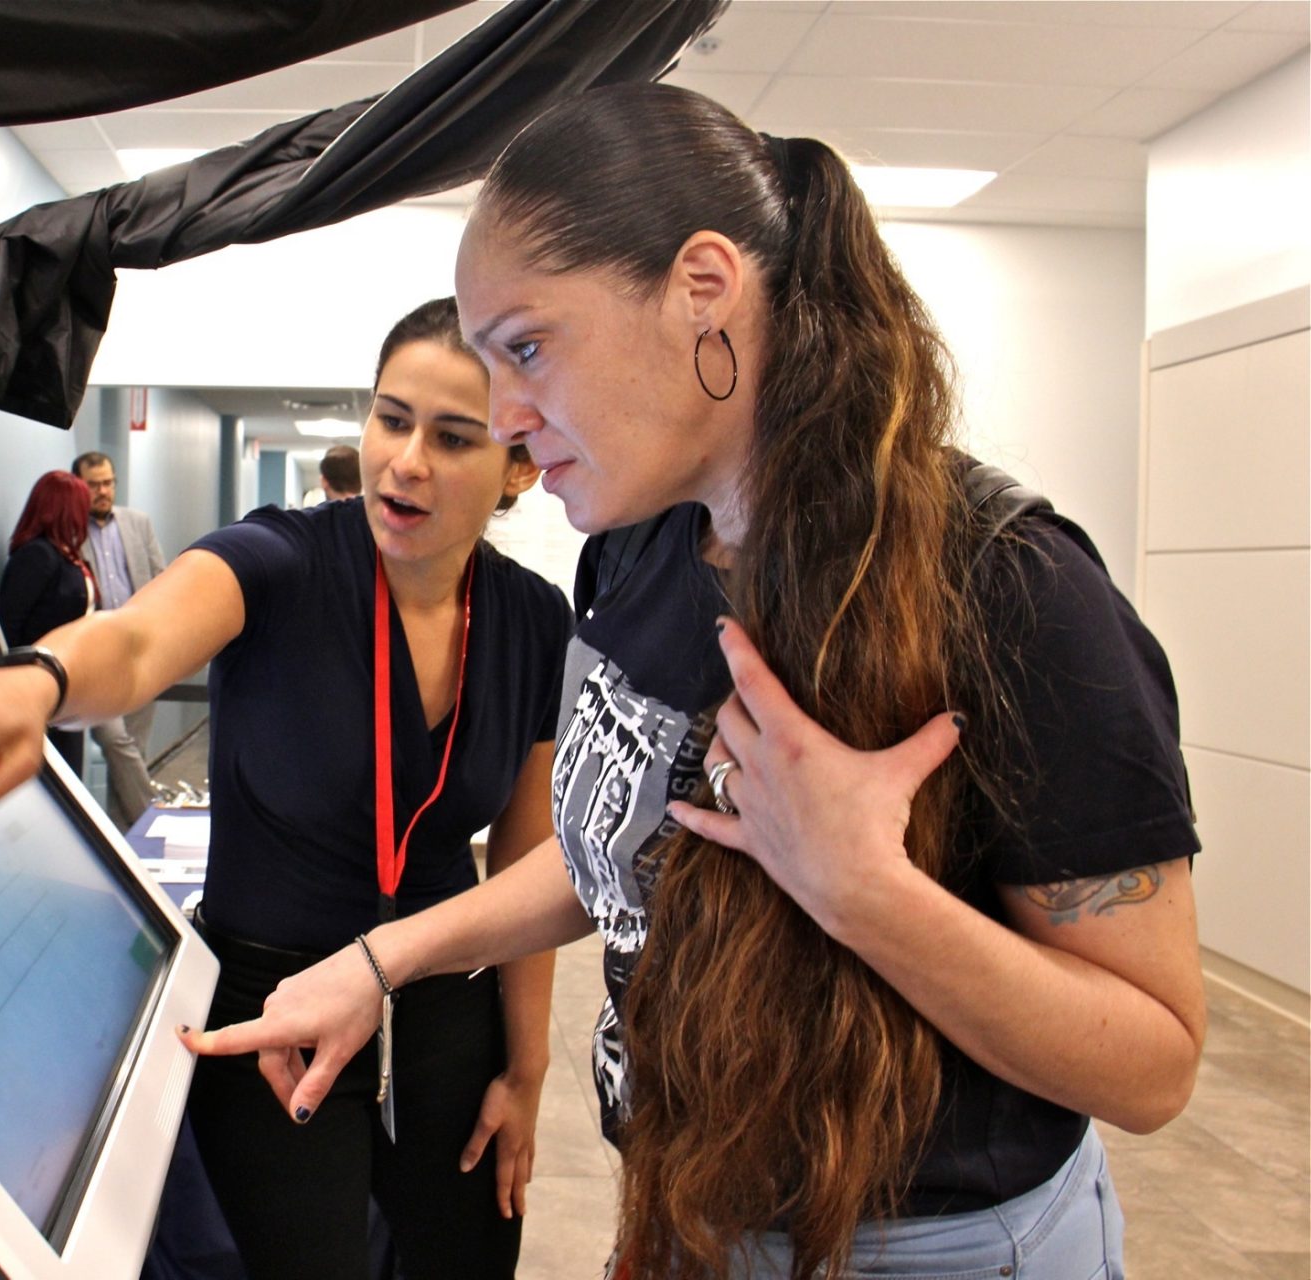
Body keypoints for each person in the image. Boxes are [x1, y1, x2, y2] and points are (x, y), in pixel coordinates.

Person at [178, 83, 1206, 1280]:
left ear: (703, 289)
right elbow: (623, 844)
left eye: (527, 347)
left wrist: (864, 890)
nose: (506, 419)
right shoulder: (641, 541)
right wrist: (380, 962)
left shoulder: (1014, 590)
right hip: (695, 1205)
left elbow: (1154, 1061)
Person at [0, 298, 574, 1279]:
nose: (406, 460)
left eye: (455, 437)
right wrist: (37, 680)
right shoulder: (283, 559)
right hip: (270, 1016)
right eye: (391, 418)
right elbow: (133, 639)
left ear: (518, 465)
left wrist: (526, 1064)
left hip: (440, 1013)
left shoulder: (533, 619)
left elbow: (525, 857)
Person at [72, 450, 170, 828]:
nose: (103, 491)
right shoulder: (72, 528)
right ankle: (153, 819)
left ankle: (125, 843)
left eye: (108, 482)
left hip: (139, 650)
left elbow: (160, 580)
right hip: (96, 658)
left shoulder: (137, 523)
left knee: (132, 753)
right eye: (94, 484)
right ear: (79, 485)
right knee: (117, 743)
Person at [0, 470, 96, 773]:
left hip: (69, 689)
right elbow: (10, 625)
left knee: (69, 775)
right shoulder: (37, 556)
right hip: (42, 688)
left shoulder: (69, 556)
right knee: (54, 774)